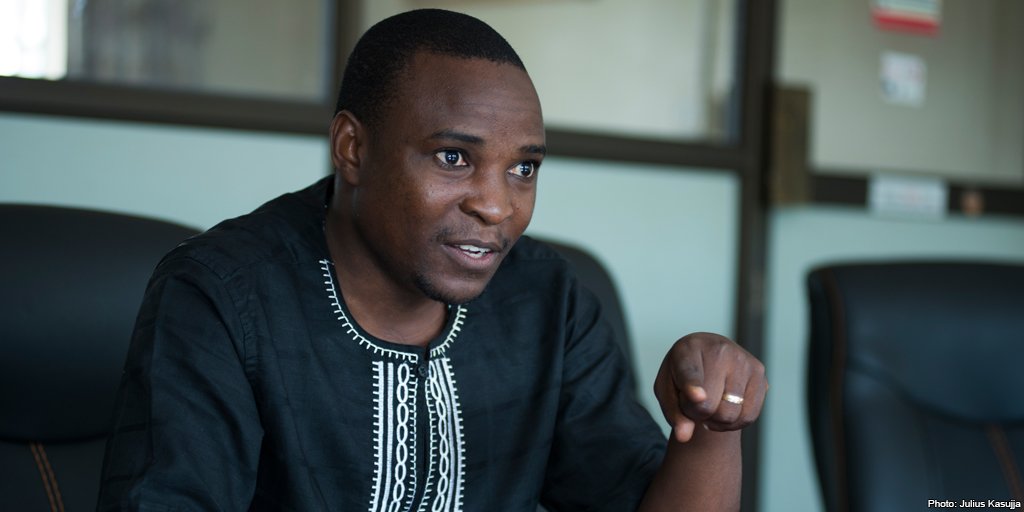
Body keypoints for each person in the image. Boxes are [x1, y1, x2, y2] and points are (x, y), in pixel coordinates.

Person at [98, 8, 767, 511]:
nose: (496, 206)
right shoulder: (223, 294)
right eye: (454, 157)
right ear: (353, 149)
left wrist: (713, 421)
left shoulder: (547, 301)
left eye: (524, 168)